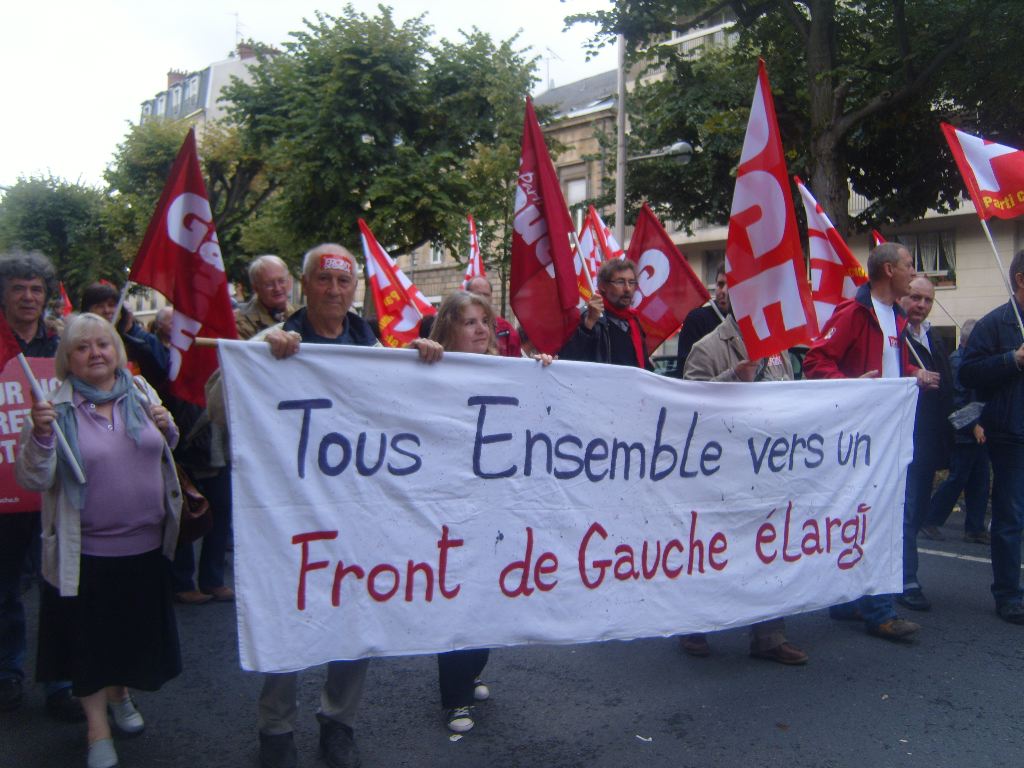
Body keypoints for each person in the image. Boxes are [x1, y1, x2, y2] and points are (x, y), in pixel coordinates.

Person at [219, 243, 441, 768]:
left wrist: (427, 360)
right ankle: (276, 726)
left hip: (360, 511)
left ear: (355, 288)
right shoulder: (272, 343)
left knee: (356, 615)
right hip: (288, 513)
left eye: (345, 283)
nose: (335, 292)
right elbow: (220, 409)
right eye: (325, 281)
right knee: (288, 611)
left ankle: (338, 721)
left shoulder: (377, 349)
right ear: (305, 284)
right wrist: (256, 356)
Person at [16, 313, 182, 768]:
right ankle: (96, 731)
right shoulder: (53, 405)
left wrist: (167, 427)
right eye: (83, 347)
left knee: (127, 637)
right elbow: (32, 476)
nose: (95, 353)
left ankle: (121, 694)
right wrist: (43, 434)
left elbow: (164, 448)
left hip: (146, 546)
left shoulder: (141, 391)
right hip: (86, 553)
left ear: (117, 351)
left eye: (103, 344)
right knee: (89, 644)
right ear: (67, 359)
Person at [427, 291, 551, 733]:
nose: (481, 330)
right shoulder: (432, 366)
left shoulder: (506, 371)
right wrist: (417, 356)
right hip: (450, 501)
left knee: (490, 593)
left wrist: (544, 374)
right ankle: (455, 696)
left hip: (497, 503)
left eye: (485, 321)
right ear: (447, 328)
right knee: (459, 596)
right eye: (469, 322)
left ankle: (474, 669)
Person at [803, 242, 938, 642]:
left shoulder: (894, 316)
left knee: (863, 516)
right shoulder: (853, 312)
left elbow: (886, 364)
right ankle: (880, 611)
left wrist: (912, 372)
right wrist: (848, 386)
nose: (913, 273)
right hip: (862, 436)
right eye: (909, 266)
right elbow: (815, 361)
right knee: (880, 518)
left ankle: (846, 601)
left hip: (885, 433)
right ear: (887, 272)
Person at [678, 314, 808, 664]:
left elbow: (793, 400)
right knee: (713, 548)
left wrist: (853, 393)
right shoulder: (707, 348)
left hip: (768, 468)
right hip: (721, 471)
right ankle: (694, 624)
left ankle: (769, 636)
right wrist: (733, 377)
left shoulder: (779, 348)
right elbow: (690, 407)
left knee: (768, 548)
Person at [0, 250, 82, 722]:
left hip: (53, 483)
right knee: (6, 585)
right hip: (6, 485)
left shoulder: (60, 344)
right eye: (18, 289)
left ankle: (62, 680)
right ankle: (7, 670)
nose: (29, 297)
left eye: (36, 289)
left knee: (59, 582)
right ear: (5, 295)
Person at [959, 250, 1024, 625]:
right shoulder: (996, 323)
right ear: (1020, 279)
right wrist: (1011, 360)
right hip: (1012, 432)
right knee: (1010, 515)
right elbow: (967, 373)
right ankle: (1008, 595)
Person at [896, 276, 953, 612]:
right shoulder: (895, 335)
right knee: (906, 511)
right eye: (915, 297)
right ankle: (907, 579)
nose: (920, 305)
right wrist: (913, 375)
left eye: (927, 300)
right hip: (902, 436)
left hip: (928, 439)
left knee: (915, 512)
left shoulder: (932, 337)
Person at [924, 318, 991, 543]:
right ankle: (929, 519)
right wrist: (973, 426)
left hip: (978, 428)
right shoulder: (957, 363)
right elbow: (956, 400)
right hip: (963, 432)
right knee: (958, 479)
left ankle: (974, 527)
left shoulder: (971, 360)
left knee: (979, 480)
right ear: (968, 341)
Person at [559, 259, 652, 369]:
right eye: (620, 282)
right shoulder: (588, 316)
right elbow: (568, 360)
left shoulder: (633, 321)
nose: (627, 288)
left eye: (632, 282)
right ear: (602, 286)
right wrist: (588, 324)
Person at [80, 282, 169, 387]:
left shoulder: (138, 348)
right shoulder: (76, 347)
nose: (107, 310)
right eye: (99, 306)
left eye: (112, 305)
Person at [672, 264, 729, 377]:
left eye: (732, 285)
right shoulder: (697, 320)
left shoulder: (750, 323)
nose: (724, 291)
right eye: (720, 284)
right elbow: (686, 370)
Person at [235, 255, 297, 341]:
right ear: (256, 288)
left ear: (289, 281)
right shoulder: (241, 323)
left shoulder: (302, 315)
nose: (277, 288)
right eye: (269, 284)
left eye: (281, 281)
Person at [465, 276, 522, 357]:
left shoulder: (506, 330)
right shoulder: (455, 327)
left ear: (491, 297)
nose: (482, 299)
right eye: (477, 295)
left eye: (486, 295)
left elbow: (517, 364)